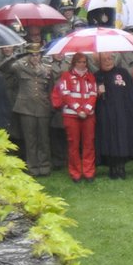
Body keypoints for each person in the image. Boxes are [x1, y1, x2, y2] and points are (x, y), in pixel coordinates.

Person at [92, 52, 133, 180]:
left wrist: (132, 110)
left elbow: (132, 93)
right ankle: (112, 167)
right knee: (108, 141)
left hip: (122, 113)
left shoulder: (122, 73)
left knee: (122, 140)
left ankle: (121, 167)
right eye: (104, 59)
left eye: (110, 58)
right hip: (104, 115)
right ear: (99, 63)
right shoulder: (96, 76)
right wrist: (98, 93)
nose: (108, 61)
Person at [5, 43, 56, 176]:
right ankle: (33, 167)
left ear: (40, 55)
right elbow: (3, 68)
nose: (35, 57)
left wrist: (51, 105)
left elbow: (50, 88)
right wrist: (15, 56)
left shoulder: (46, 69)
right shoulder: (20, 66)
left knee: (44, 138)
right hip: (26, 107)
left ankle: (44, 166)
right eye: (32, 54)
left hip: (43, 106)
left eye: (37, 54)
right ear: (27, 55)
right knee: (30, 139)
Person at [50, 53, 98, 183]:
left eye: (84, 62)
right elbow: (65, 95)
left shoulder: (91, 77)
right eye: (80, 62)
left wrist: (87, 110)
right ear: (74, 63)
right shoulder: (66, 76)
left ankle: (89, 172)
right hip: (71, 115)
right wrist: (78, 110)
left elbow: (93, 94)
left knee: (89, 144)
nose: (83, 64)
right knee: (73, 144)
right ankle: (75, 173)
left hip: (88, 116)